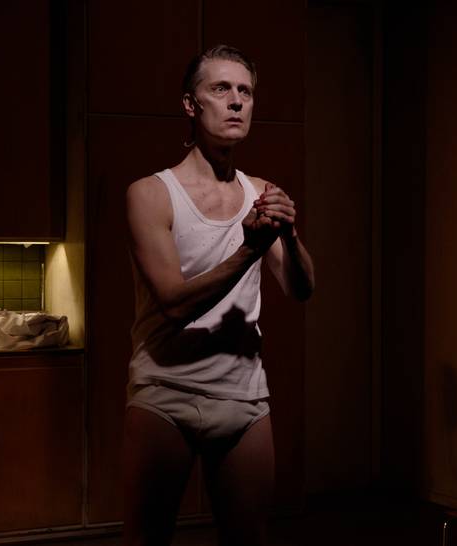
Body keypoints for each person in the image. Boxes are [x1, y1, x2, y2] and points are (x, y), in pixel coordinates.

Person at [123, 44, 315, 546]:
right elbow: (174, 303)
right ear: (191, 104)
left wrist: (288, 234)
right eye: (221, 88)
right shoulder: (151, 193)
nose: (236, 101)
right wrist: (250, 250)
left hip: (243, 397)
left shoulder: (261, 192)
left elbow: (300, 290)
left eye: (245, 91)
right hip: (166, 391)